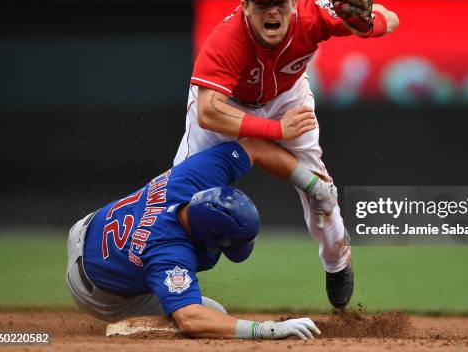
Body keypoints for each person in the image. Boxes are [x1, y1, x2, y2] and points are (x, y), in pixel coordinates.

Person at [173, 0, 399, 308]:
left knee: (320, 191)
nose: (272, 10)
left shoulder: (314, 16)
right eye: (262, 3)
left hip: (287, 98)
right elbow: (209, 111)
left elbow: (390, 17)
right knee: (180, 195)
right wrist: (274, 130)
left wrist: (370, 22)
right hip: (228, 104)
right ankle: (165, 279)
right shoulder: (227, 38)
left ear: (295, 2)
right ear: (245, 7)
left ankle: (337, 263)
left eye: (280, 1)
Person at [66, 138, 332, 339]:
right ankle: (133, 327)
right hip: (95, 292)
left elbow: (254, 147)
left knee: (197, 309)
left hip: (86, 229)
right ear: (209, 238)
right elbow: (191, 318)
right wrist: (266, 329)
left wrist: (315, 186)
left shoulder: (193, 178)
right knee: (211, 316)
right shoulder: (169, 251)